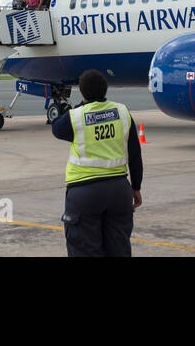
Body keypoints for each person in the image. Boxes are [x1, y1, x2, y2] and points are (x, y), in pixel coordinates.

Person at [50, 69, 143, 257]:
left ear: (83, 93)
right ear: (105, 90)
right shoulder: (122, 112)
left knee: (85, 249)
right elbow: (135, 153)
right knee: (119, 248)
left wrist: (82, 105)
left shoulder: (77, 116)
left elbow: (57, 128)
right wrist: (136, 187)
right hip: (119, 190)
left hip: (85, 192)